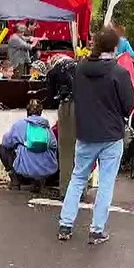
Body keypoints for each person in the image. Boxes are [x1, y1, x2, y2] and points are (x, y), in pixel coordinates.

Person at [57, 28, 134, 245]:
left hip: (86, 132)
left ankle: (65, 224)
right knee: (106, 183)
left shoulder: (80, 69)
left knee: (78, 177)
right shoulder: (119, 72)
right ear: (114, 47)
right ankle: (97, 230)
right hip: (111, 134)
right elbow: (128, 105)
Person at [0, 100, 58, 191]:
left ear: (27, 111)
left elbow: (6, 142)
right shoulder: (47, 129)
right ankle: (39, 181)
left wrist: (20, 145)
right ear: (40, 112)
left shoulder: (19, 125)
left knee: (2, 148)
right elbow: (54, 146)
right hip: (45, 171)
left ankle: (15, 180)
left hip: (24, 169)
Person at [43, 53, 77, 191]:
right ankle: (81, 188)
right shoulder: (81, 67)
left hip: (69, 106)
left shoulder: (54, 71)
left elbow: (50, 98)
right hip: (88, 108)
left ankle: (66, 189)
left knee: (66, 150)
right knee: (81, 151)